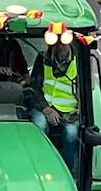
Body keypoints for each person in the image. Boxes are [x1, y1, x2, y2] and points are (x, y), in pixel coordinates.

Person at [29, 43, 80, 172]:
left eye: (63, 42)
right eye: (56, 42)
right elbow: (34, 87)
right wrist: (46, 108)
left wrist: (79, 109)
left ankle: (68, 171)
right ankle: (40, 167)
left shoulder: (80, 61)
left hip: (70, 111)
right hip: (45, 107)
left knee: (71, 133)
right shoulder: (43, 59)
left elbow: (86, 92)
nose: (60, 47)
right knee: (39, 126)